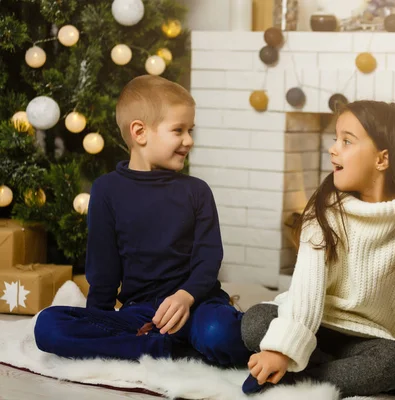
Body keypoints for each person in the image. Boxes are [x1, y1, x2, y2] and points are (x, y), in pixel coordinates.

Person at [240, 100, 395, 397]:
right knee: (255, 322)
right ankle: (320, 372)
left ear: (382, 159)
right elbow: (306, 289)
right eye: (335, 139)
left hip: (367, 337)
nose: (333, 149)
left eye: (346, 141)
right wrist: (283, 349)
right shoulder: (325, 212)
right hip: (313, 322)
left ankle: (299, 378)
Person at [34, 75, 250, 366]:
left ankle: (159, 345)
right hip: (142, 313)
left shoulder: (196, 191)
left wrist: (186, 297)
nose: (189, 140)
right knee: (48, 325)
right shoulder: (107, 190)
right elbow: (103, 267)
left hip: (197, 305)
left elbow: (209, 259)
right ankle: (166, 348)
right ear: (140, 132)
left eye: (191, 130)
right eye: (179, 130)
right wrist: (101, 320)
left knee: (220, 333)